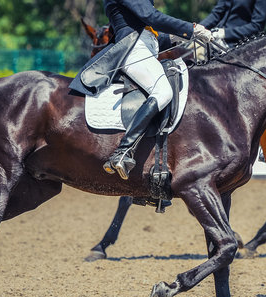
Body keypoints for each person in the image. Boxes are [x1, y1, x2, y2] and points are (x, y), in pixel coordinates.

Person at [71, 0, 213, 180]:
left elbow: (148, 34)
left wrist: (177, 37)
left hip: (144, 48)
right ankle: (123, 151)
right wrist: (191, 29)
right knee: (163, 92)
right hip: (133, 49)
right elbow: (151, 17)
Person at [200, 0, 266, 48]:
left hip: (239, 46)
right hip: (216, 39)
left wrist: (225, 33)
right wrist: (197, 28)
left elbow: (257, 26)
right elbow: (216, 14)